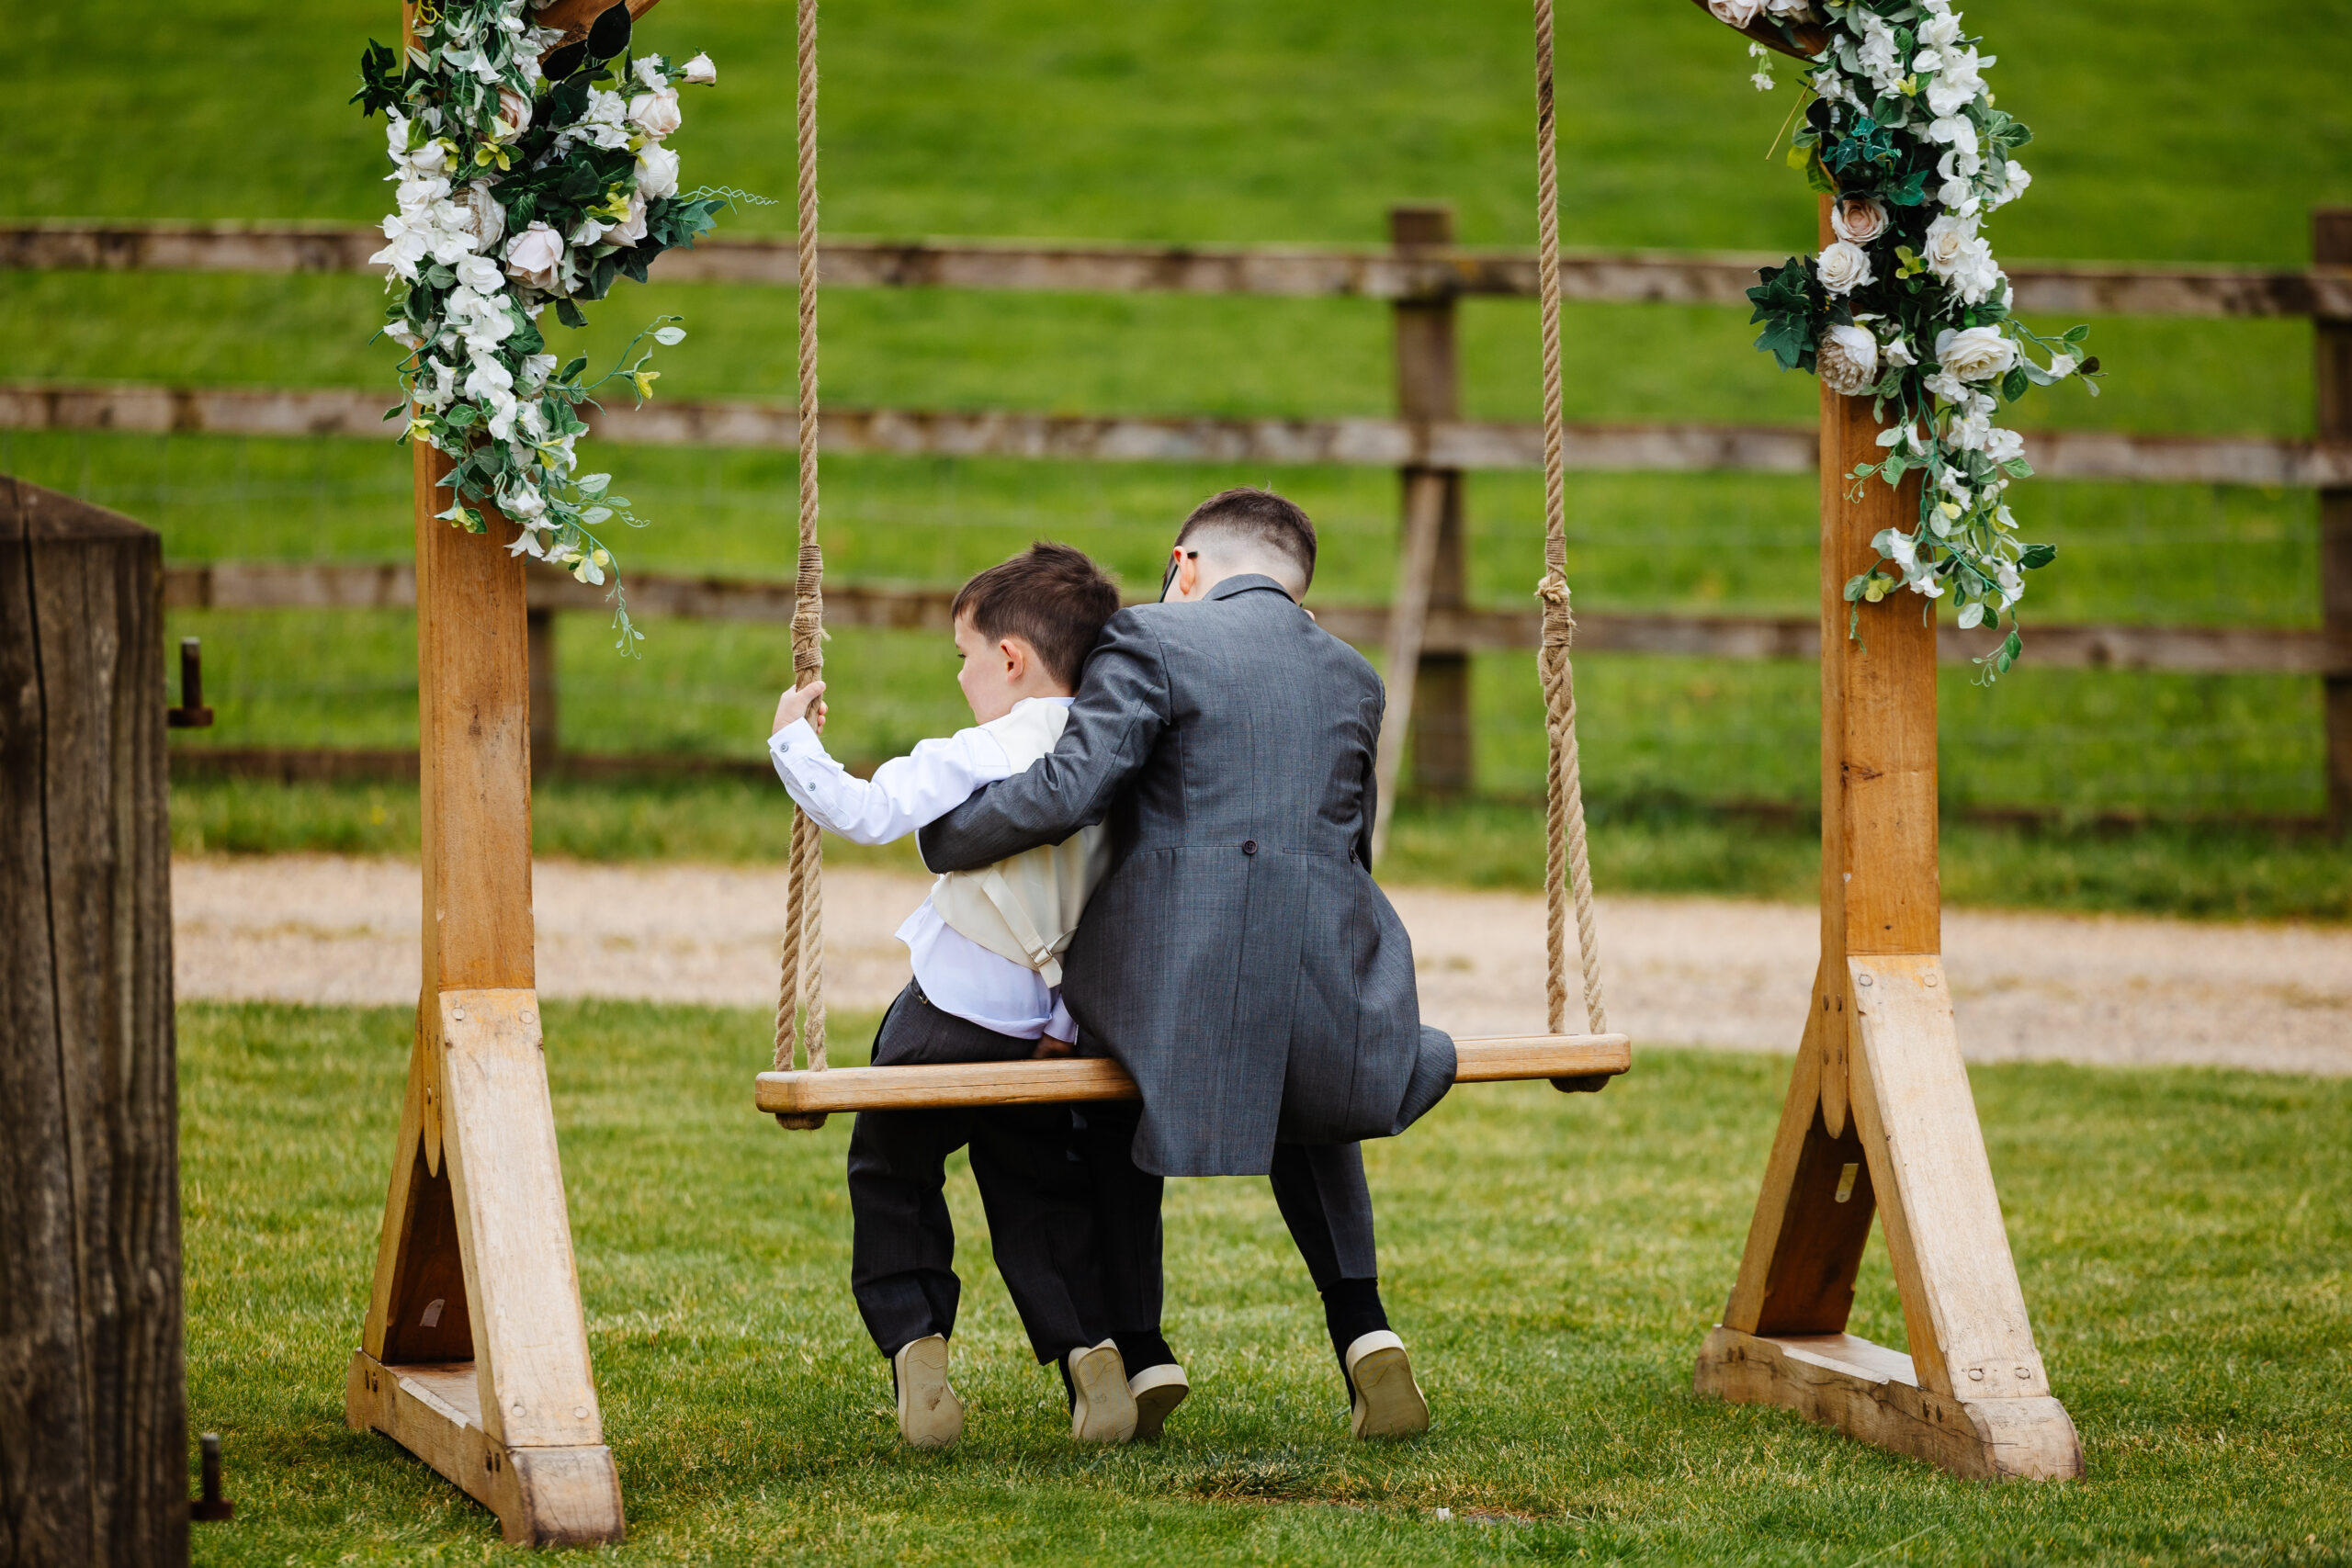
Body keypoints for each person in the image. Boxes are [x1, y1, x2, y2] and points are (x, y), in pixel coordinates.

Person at [918, 487, 1454, 1441]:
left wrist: (945, 834)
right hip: (1329, 968)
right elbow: (1350, 841)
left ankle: (1141, 1341)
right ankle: (1364, 1330)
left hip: (1167, 975)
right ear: (1294, 584)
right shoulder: (1353, 673)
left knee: (1116, 1074)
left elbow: (1068, 789)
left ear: (1188, 565)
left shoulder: (1150, 640)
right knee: (1302, 1077)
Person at [766, 542, 1144, 1449]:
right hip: (1052, 1033)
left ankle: (917, 1343)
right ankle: (1090, 1354)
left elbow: (863, 812)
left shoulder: (985, 747)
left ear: (1010, 659)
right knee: (1034, 1192)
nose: (964, 677)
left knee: (891, 1170)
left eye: (966, 658)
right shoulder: (1117, 759)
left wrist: (792, 739)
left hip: (947, 1017)